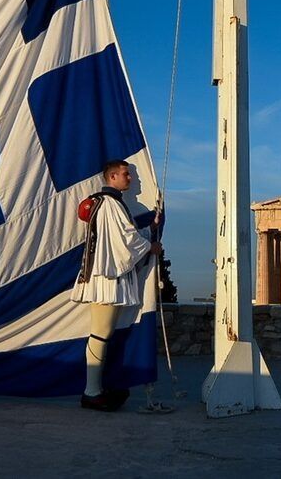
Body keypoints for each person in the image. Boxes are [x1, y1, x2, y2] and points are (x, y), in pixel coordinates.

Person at [70, 159, 162, 411]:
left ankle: (95, 390)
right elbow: (125, 241)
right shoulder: (110, 204)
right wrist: (149, 246)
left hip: (107, 276)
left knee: (103, 333)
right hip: (107, 278)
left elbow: (126, 235)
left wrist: (150, 228)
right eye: (126, 174)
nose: (131, 179)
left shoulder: (112, 204)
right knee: (100, 334)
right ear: (111, 177)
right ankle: (91, 392)